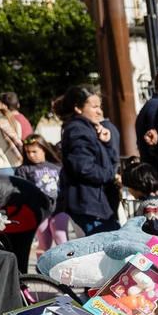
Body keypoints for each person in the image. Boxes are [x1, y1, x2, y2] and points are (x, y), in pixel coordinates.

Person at [54, 85, 121, 234]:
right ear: (78, 108)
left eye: (100, 106)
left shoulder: (90, 128)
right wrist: (113, 176)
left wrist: (107, 142)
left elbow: (108, 161)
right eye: (94, 107)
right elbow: (84, 168)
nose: (99, 111)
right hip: (89, 204)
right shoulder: (78, 130)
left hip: (98, 203)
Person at [121, 157, 158, 232]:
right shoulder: (155, 200)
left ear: (138, 185)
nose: (129, 190)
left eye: (129, 187)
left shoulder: (151, 206)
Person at [17, 135, 61, 201]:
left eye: (34, 152)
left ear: (44, 150)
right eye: (28, 152)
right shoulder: (23, 170)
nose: (31, 155)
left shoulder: (57, 167)